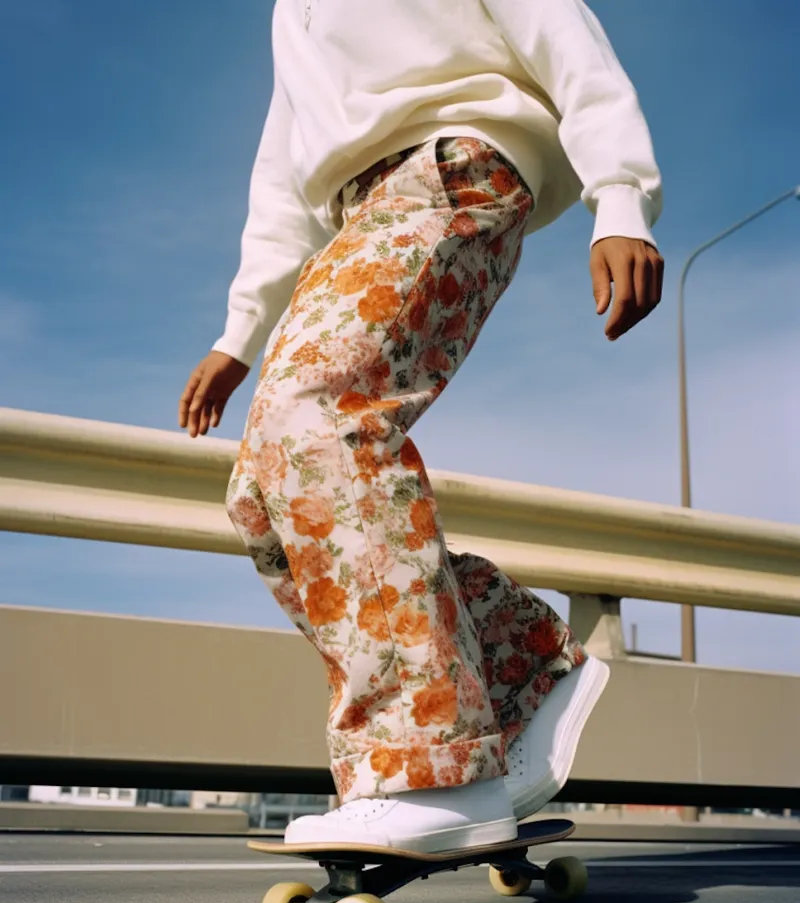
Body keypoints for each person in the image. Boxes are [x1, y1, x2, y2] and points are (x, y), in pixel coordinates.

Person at [178, 0, 663, 853]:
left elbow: (559, 29)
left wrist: (618, 196)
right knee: (263, 492)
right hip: (357, 211)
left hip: (456, 161)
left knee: (318, 416)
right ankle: (519, 670)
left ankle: (432, 765)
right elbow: (282, 176)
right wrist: (237, 333)